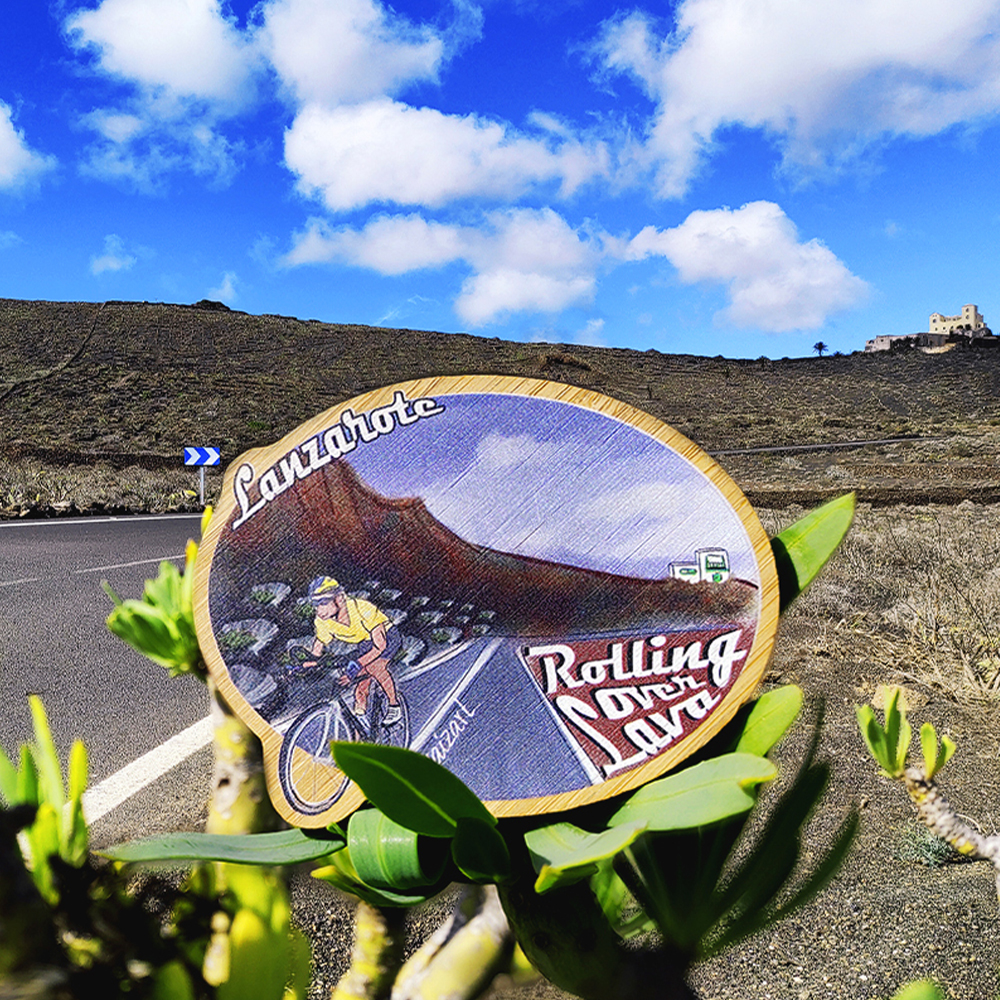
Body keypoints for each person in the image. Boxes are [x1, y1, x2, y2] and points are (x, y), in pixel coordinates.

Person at [305, 576, 403, 725]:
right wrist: (307, 664)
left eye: (323, 603)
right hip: (365, 642)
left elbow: (379, 646)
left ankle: (394, 705)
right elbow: (319, 644)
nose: (319, 610)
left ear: (339, 598)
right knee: (360, 688)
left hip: (387, 638)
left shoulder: (362, 609)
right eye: (316, 604)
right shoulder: (322, 621)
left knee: (374, 667)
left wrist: (356, 665)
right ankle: (361, 729)